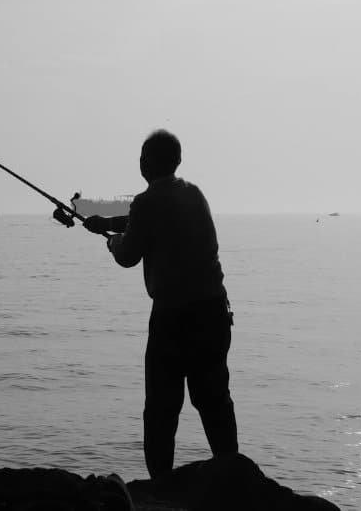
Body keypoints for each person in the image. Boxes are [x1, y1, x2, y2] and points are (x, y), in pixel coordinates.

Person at [83, 129, 238, 480]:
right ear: (178, 161)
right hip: (213, 313)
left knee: (161, 409)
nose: (139, 161)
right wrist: (105, 223)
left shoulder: (147, 202)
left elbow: (127, 254)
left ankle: (160, 489)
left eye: (142, 155)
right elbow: (149, 220)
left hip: (173, 318)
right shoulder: (194, 195)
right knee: (214, 400)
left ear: (146, 163)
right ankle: (233, 477)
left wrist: (111, 241)